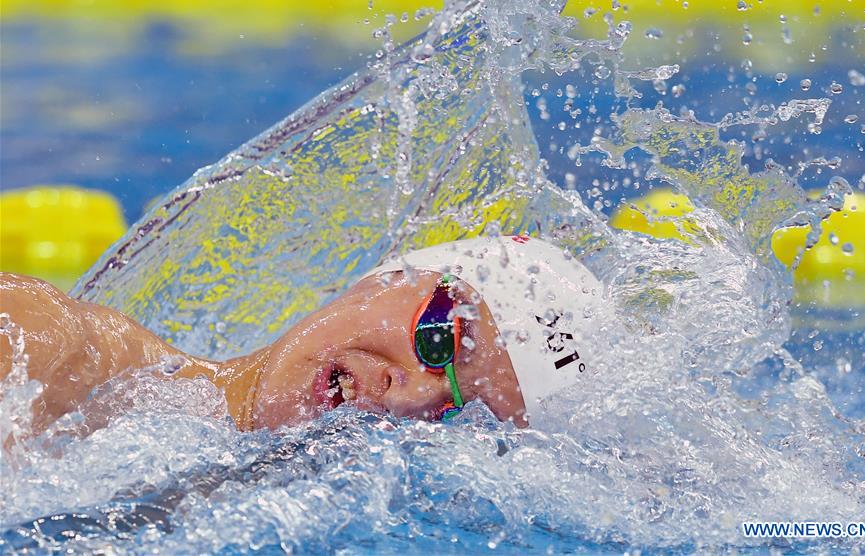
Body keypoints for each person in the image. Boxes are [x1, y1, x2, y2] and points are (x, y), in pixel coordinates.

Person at [1, 235, 603, 438]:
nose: (411, 395)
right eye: (440, 339)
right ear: (392, 274)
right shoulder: (51, 349)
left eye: (463, 414)